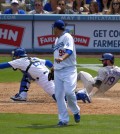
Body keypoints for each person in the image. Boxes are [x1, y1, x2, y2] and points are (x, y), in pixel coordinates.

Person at [0, 47, 90, 103]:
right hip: (49, 74)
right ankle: (22, 95)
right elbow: (48, 61)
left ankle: (81, 94)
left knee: (60, 99)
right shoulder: (33, 58)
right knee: (27, 75)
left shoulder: (18, 61)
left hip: (44, 79)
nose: (14, 57)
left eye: (15, 56)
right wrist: (54, 69)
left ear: (18, 56)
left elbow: (2, 66)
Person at [51, 19, 80, 126]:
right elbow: (56, 56)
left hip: (69, 69)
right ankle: (63, 120)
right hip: (58, 71)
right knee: (59, 96)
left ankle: (76, 111)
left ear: (57, 28)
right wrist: (54, 67)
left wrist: (62, 58)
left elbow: (69, 51)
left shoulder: (67, 36)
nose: (53, 30)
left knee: (69, 92)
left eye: (54, 28)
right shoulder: (56, 39)